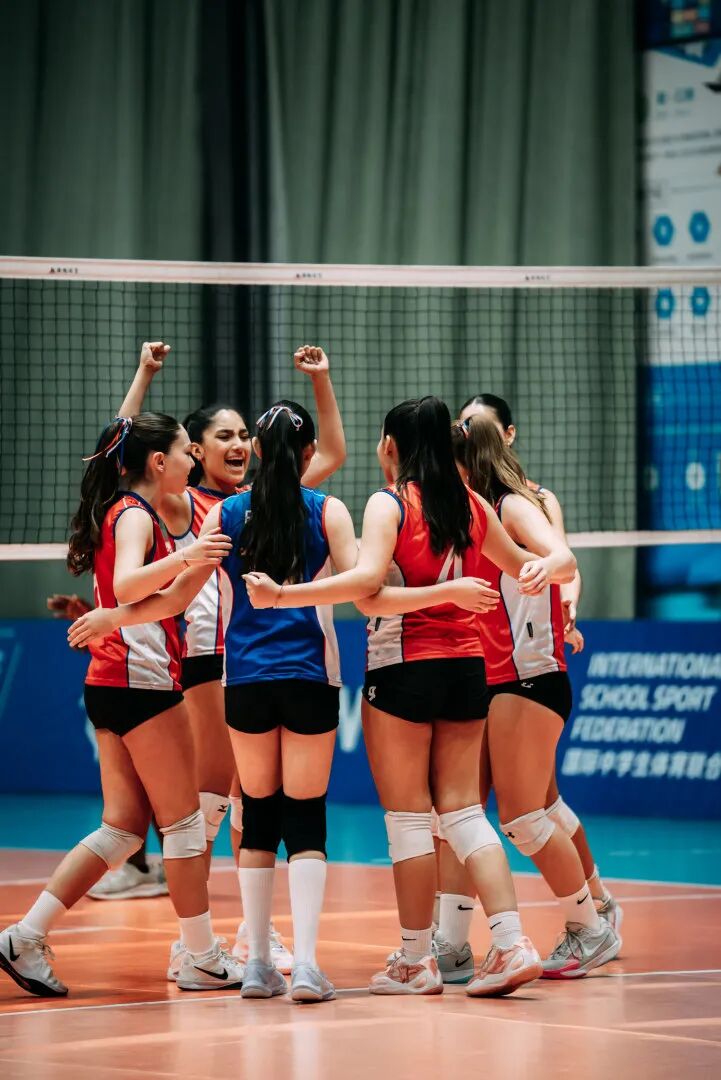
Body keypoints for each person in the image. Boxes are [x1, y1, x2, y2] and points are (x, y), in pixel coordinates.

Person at [68, 399, 496, 1001]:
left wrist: (112, 615)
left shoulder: (226, 514)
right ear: (306, 453)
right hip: (311, 678)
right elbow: (364, 587)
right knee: (306, 816)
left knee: (258, 816)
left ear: (260, 451)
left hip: (244, 681)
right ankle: (310, 967)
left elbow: (177, 598)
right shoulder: (328, 509)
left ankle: (260, 966)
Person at [242, 396, 576, 997]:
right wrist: (544, 568)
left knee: (409, 821)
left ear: (391, 446)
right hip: (467, 669)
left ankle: (416, 960)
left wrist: (283, 596)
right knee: (464, 812)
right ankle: (510, 942)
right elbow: (546, 563)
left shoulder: (389, 502)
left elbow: (367, 591)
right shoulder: (473, 504)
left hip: (401, 669)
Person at [115, 341, 345, 977]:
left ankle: (251, 936)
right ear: (192, 451)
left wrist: (320, 383)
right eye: (224, 436)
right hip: (212, 660)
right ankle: (197, 941)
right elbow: (121, 455)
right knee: (217, 803)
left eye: (246, 434)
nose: (238, 444)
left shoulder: (265, 500)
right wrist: (144, 376)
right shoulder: (191, 502)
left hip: (245, 665)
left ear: (262, 449)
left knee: (249, 803)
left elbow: (327, 454)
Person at [0, 413, 244, 997]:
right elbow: (130, 586)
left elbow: (168, 600)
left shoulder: (132, 510)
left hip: (112, 680)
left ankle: (24, 937)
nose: (191, 461)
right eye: (184, 452)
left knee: (123, 829)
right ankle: (201, 957)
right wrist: (186, 557)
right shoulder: (134, 514)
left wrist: (202, 561)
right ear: (158, 461)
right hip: (141, 682)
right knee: (183, 825)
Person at [447, 413, 620, 978]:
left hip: (530, 677)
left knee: (523, 817)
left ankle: (590, 928)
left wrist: (543, 569)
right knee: (486, 811)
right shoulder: (472, 511)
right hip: (496, 680)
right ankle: (452, 941)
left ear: (466, 461)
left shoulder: (512, 506)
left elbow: (565, 558)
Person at [47, 592, 169, 901]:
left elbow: (157, 615)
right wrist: (89, 618)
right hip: (129, 680)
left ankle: (174, 868)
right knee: (143, 789)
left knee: (169, 791)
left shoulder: (152, 574)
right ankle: (143, 868)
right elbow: (121, 628)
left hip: (165, 678)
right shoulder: (114, 584)